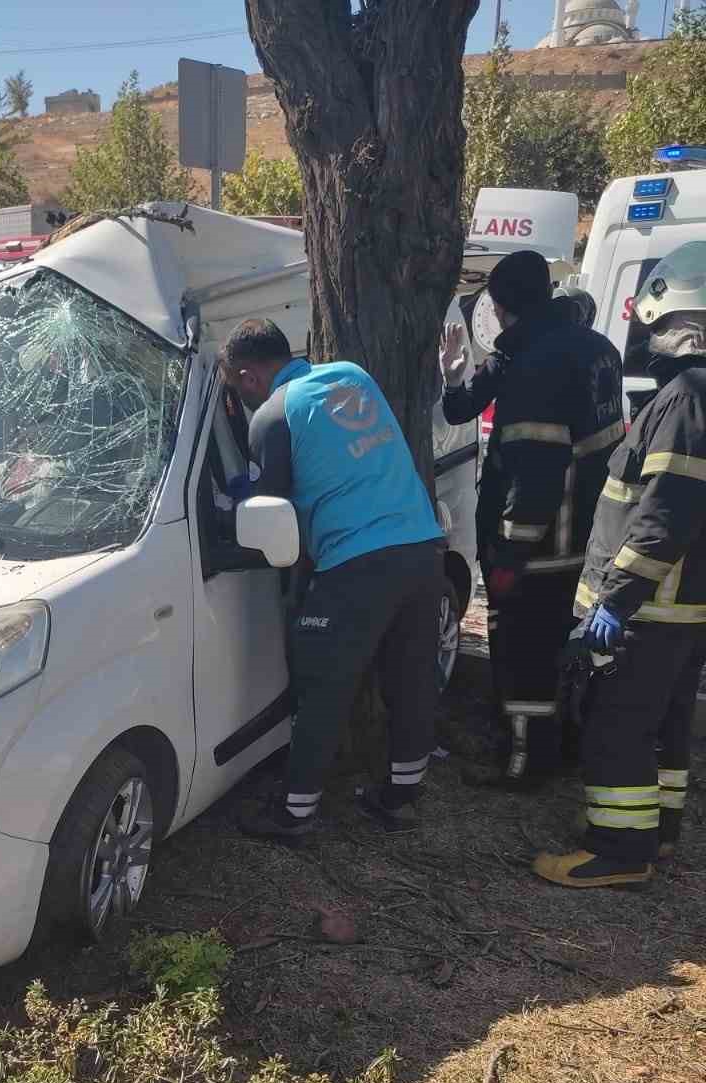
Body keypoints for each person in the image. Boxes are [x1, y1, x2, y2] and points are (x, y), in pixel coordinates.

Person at [222, 318, 445, 843]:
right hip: (421, 548)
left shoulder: (272, 416)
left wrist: (235, 499)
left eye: (237, 388)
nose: (241, 399)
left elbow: (268, 508)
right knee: (410, 679)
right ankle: (401, 800)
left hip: (358, 564)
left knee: (323, 685)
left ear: (249, 376)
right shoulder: (352, 375)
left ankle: (295, 814)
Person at [534, 240, 706, 889]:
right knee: (663, 728)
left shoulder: (688, 398)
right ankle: (655, 837)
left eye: (657, 325)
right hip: (679, 609)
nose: (650, 336)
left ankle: (617, 850)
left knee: (616, 725)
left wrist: (614, 601)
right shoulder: (694, 397)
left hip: (649, 611)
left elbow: (665, 514)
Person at [439, 251, 622, 789]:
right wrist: (455, 378)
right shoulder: (592, 348)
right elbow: (461, 409)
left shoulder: (537, 366)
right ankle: (561, 740)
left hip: (542, 544)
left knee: (523, 650)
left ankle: (526, 761)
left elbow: (535, 476)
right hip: (587, 534)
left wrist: (508, 557)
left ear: (497, 306)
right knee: (554, 643)